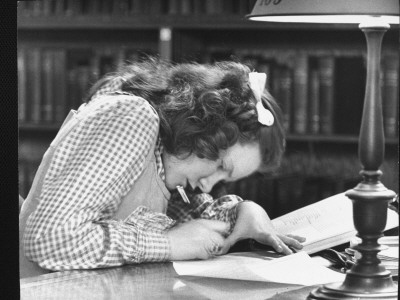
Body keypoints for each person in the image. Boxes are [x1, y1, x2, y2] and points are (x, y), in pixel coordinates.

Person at [20, 58, 305, 272]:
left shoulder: (165, 166)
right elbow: (50, 239)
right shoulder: (131, 118)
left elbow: (194, 220)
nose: (208, 184)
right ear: (204, 128)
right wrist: (170, 244)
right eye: (220, 165)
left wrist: (246, 212)